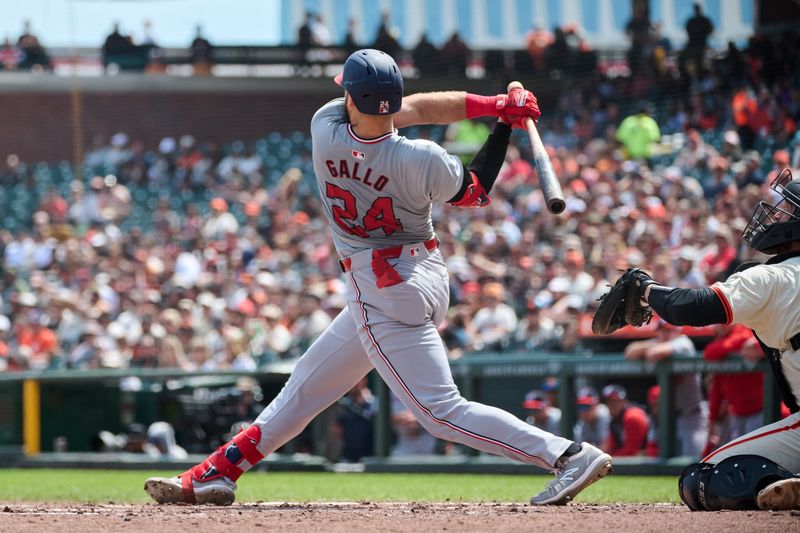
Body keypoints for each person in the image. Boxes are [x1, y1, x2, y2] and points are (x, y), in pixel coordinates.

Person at [145, 48, 611, 507]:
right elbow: (474, 189)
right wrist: (501, 119)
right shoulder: (424, 158)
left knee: (439, 412)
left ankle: (567, 456)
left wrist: (496, 108)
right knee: (307, 385)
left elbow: (407, 109)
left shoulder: (324, 128)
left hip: (380, 283)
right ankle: (220, 472)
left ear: (352, 97)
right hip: (423, 273)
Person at [615, 168, 800, 510]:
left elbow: (689, 308)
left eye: (787, 208)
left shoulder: (771, 277)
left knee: (702, 477)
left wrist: (645, 289)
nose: (776, 214)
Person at [624, 320, 707, 458]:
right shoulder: (661, 342)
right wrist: (653, 343)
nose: (664, 333)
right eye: (661, 330)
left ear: (677, 331)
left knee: (692, 462)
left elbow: (654, 354)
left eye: (668, 330)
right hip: (670, 417)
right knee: (664, 459)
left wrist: (653, 345)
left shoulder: (684, 343)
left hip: (692, 416)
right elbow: (629, 352)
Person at [602, 384, 650, 457]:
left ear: (625, 401)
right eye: (608, 402)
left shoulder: (633, 416)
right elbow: (611, 447)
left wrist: (609, 458)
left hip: (649, 459)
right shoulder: (615, 419)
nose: (611, 405)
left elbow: (632, 451)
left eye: (615, 401)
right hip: (632, 460)